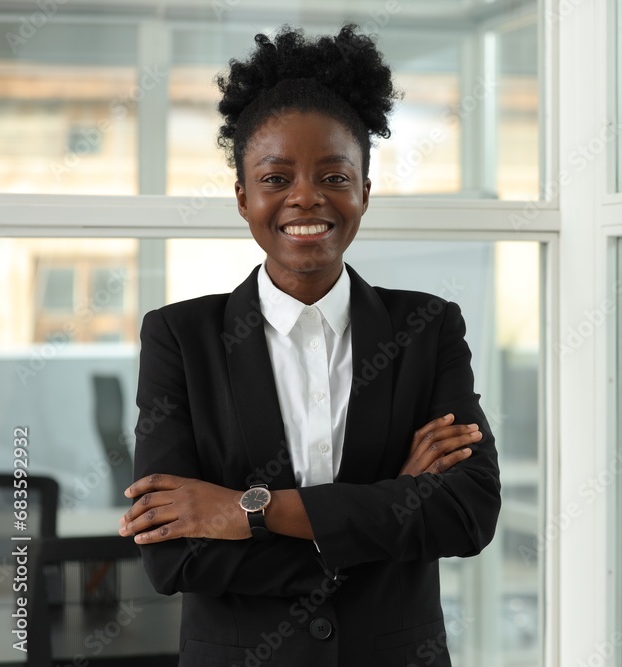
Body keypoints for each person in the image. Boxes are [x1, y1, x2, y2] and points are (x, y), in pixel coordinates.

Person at [117, 24, 501, 667]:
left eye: (333, 175)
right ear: (243, 197)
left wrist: (247, 510)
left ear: (364, 193)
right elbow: (172, 554)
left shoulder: (428, 328)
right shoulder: (181, 338)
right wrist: (386, 507)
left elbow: (466, 514)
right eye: (275, 177)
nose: (305, 197)